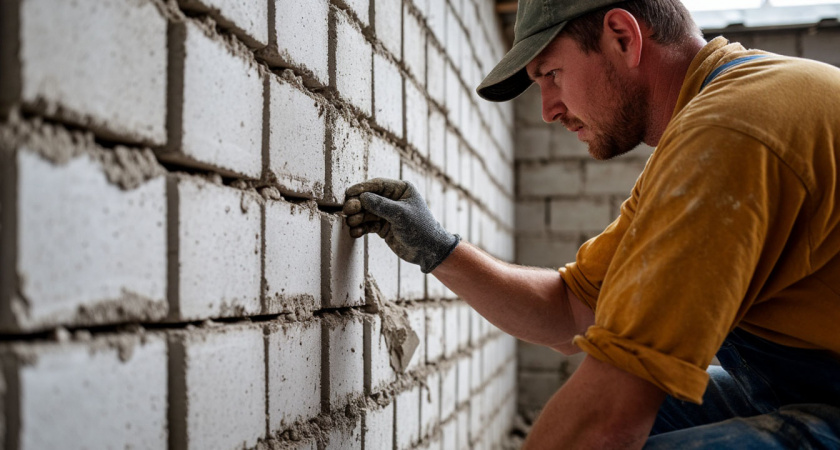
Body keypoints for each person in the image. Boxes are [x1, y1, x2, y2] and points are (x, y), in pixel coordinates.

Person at [343, 0, 840, 447]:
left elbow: (607, 421)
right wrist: (438, 249)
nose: (548, 110)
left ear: (622, 36)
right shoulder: (709, 125)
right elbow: (573, 309)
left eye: (552, 74)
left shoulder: (731, 132)